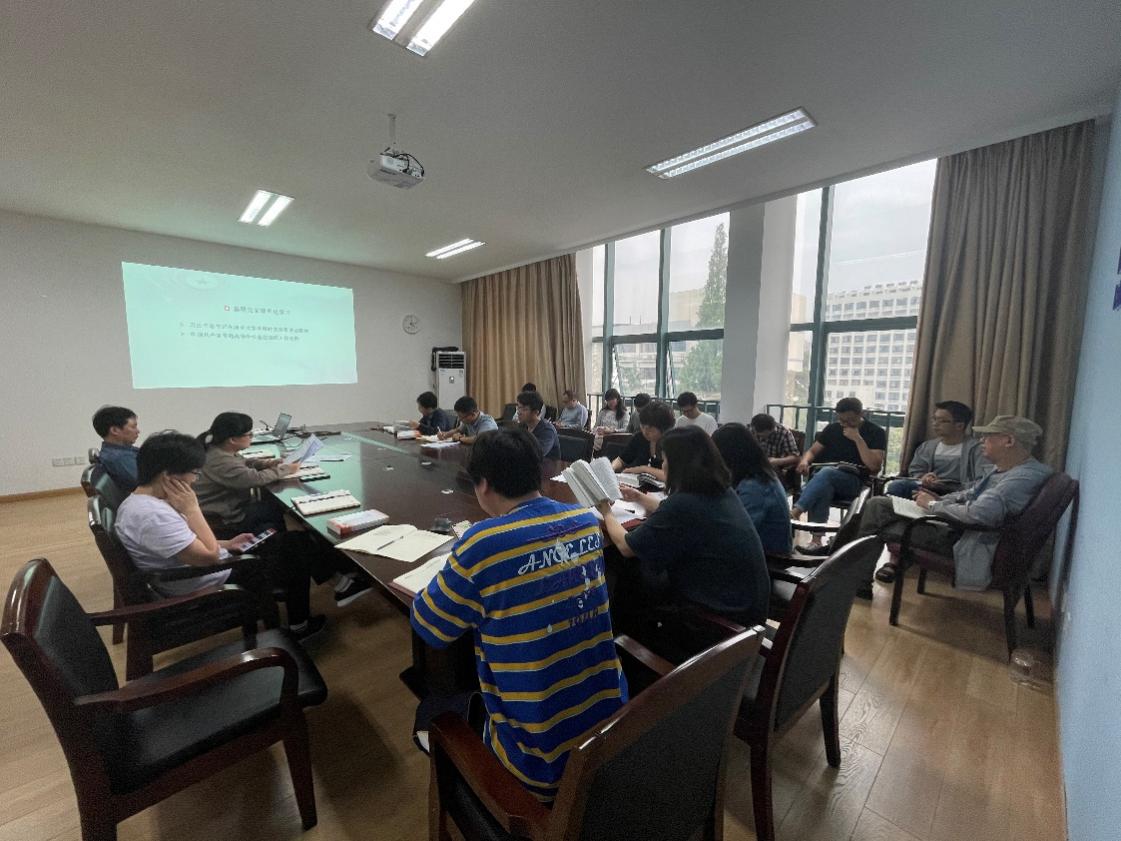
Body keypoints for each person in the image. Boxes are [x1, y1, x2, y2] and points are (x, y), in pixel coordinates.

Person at [410, 428, 627, 801]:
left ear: (483, 485)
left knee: (430, 709)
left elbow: (429, 627)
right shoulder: (585, 521)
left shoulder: (482, 544)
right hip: (610, 734)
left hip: (539, 765)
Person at [114, 431, 324, 639]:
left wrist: (227, 543)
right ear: (168, 476)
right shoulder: (152, 516)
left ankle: (331, 577)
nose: (195, 480)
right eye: (195, 473)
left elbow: (185, 543)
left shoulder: (141, 501)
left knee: (293, 540)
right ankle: (300, 626)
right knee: (296, 551)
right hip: (208, 583)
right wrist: (192, 509)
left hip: (202, 570)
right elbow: (210, 557)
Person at [599, 426, 771, 628]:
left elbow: (626, 546)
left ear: (678, 464)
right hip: (745, 608)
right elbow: (677, 511)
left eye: (665, 460)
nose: (663, 466)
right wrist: (639, 497)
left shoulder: (685, 503)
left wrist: (605, 510)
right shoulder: (720, 491)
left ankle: (625, 635)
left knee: (626, 565)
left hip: (719, 621)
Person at [194, 412, 372, 607]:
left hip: (232, 510)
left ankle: (337, 566)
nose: (252, 437)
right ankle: (330, 571)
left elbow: (244, 464)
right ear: (232, 439)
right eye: (249, 434)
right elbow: (254, 479)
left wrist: (271, 463)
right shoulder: (220, 460)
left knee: (286, 511)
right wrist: (286, 469)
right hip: (228, 519)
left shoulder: (220, 450)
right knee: (297, 520)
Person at [858, 415, 1053, 591]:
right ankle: (854, 573)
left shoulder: (1022, 478)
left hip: (965, 540)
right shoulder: (1010, 469)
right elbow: (970, 493)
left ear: (1009, 441)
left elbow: (978, 514)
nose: (982, 441)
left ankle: (856, 580)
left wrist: (934, 506)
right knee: (880, 504)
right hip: (961, 529)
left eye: (988, 437)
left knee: (877, 516)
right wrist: (939, 500)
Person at [791, 397, 886, 552]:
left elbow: (874, 467)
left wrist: (858, 439)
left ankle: (796, 512)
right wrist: (805, 461)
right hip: (829, 479)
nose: (845, 424)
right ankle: (816, 542)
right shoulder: (832, 429)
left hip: (857, 482)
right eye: (841, 420)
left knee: (826, 474)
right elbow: (812, 451)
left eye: (851, 420)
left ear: (861, 414)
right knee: (824, 485)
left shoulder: (876, 432)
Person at [712, 423, 793, 554]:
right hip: (757, 552)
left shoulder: (756, 487)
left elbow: (737, 533)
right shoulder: (759, 475)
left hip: (768, 558)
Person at [887, 401, 988, 498]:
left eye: (943, 421)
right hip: (928, 489)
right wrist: (924, 477)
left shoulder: (977, 449)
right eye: (934, 419)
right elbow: (916, 470)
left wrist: (951, 487)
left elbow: (983, 480)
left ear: (959, 426)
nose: (935, 424)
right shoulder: (928, 446)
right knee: (898, 486)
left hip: (960, 492)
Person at [611, 400, 676, 482]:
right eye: (642, 426)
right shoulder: (639, 437)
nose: (645, 432)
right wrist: (611, 468)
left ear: (664, 429)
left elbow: (671, 476)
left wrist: (644, 469)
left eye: (650, 430)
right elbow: (621, 460)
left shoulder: (673, 443)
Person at [92, 405, 141, 494]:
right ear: (114, 430)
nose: (138, 431)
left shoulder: (123, 450)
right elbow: (148, 484)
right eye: (133, 427)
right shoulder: (119, 458)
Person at [516, 390, 560, 460]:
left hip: (548, 464)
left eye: (524, 409)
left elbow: (538, 454)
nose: (519, 412)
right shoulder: (523, 425)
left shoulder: (547, 430)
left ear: (536, 412)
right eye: (518, 407)